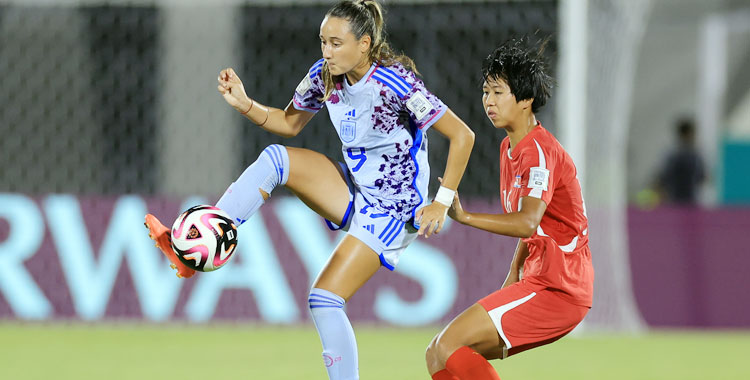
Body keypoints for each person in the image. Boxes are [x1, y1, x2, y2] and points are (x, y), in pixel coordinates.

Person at [145, 1, 474, 379]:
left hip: (395, 211)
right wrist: (245, 104)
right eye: (323, 42)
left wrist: (441, 202)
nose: (327, 52)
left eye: (336, 43)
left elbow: (461, 135)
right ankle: (199, 247)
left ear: (364, 44)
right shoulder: (325, 75)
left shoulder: (396, 83)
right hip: (354, 189)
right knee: (275, 160)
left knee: (325, 299)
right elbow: (288, 123)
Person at [424, 39, 594, 380]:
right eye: (486, 92)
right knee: (437, 355)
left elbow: (528, 222)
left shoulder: (541, 152)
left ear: (526, 99)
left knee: (451, 343)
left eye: (498, 92)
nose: (488, 101)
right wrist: (513, 273)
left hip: (559, 287)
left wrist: (465, 216)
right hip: (540, 279)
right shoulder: (510, 147)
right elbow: (538, 225)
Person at [656, 117, 705, 205]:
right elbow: (663, 176)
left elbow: (702, 176)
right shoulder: (673, 154)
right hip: (675, 199)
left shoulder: (696, 154)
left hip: (690, 199)